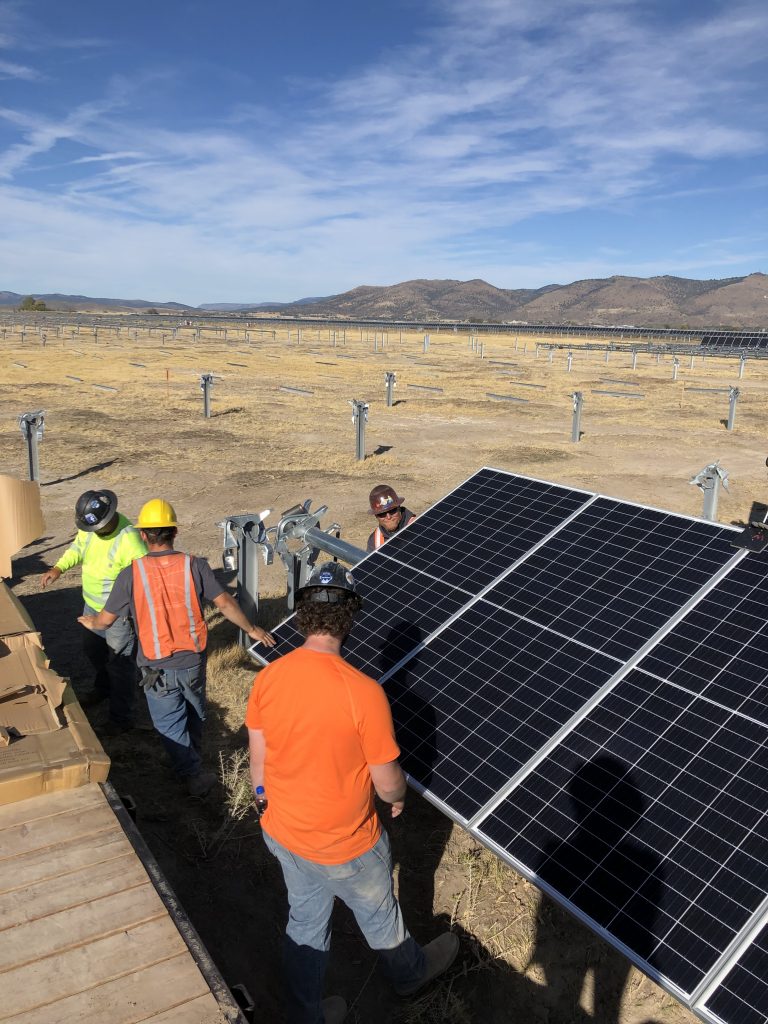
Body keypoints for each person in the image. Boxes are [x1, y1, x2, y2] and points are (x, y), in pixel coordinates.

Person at [246, 561, 458, 1024]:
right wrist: (398, 797)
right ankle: (411, 974)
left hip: (282, 830)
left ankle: (307, 1015)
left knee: (304, 923)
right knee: (380, 915)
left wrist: (264, 797)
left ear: (302, 615)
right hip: (347, 846)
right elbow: (387, 783)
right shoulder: (363, 693)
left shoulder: (269, 677)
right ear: (351, 617)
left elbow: (257, 758)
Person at [79, 498, 275, 797]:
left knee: (169, 723)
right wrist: (251, 629)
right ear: (174, 532)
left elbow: (106, 622)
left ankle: (191, 774)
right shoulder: (194, 566)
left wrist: (91, 622)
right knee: (195, 711)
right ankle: (191, 758)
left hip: (156, 666)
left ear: (143, 535)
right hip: (192, 661)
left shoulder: (131, 574)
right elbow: (224, 603)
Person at [41, 489, 147, 734]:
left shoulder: (130, 541)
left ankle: (121, 718)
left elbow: (144, 581)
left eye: (100, 526)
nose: (96, 531)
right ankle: (103, 688)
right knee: (95, 651)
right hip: (91, 606)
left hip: (118, 615)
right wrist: (58, 568)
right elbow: (78, 548)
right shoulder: (89, 529)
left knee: (121, 664)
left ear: (110, 516)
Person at [366, 484, 417, 552]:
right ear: (376, 516)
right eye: (382, 514)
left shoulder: (419, 527)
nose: (388, 517)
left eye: (392, 511)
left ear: (399, 508)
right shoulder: (374, 541)